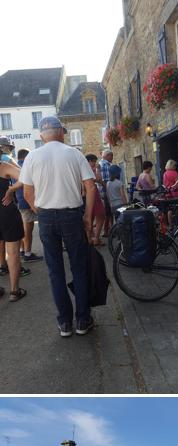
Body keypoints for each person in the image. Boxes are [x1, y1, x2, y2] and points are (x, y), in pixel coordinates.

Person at [20, 116, 96, 337]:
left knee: (55, 271)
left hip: (45, 217)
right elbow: (90, 187)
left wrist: (41, 212)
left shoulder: (32, 157)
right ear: (61, 132)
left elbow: (26, 193)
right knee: (79, 267)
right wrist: (88, 219)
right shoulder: (74, 153)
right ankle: (82, 319)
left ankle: (65, 323)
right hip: (72, 215)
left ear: (41, 135)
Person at [6, 149, 43, 262]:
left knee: (24, 228)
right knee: (28, 230)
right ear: (27, 156)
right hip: (28, 202)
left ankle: (23, 250)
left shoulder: (14, 166)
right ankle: (27, 253)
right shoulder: (26, 167)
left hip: (21, 201)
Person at [0, 159, 27, 301]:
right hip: (6, 212)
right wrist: (11, 189)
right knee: (13, 253)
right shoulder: (3, 167)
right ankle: (14, 292)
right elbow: (26, 176)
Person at [85, 154, 106, 246]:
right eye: (93, 161)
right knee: (100, 215)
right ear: (89, 161)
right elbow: (99, 179)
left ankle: (90, 238)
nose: (95, 163)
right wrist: (98, 169)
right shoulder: (90, 169)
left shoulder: (84, 169)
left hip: (88, 193)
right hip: (92, 193)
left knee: (91, 216)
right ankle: (95, 238)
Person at [163, 159, 178, 229]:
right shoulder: (175, 173)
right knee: (177, 208)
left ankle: (171, 225)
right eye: (175, 165)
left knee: (170, 209)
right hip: (176, 193)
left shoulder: (165, 173)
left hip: (168, 193)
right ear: (172, 166)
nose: (175, 167)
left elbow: (165, 185)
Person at [98, 149, 113, 235]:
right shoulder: (105, 164)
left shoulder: (101, 164)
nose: (112, 158)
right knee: (109, 211)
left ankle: (108, 229)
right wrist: (108, 189)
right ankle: (107, 231)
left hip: (102, 191)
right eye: (111, 156)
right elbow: (104, 180)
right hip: (105, 191)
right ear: (107, 156)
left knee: (107, 211)